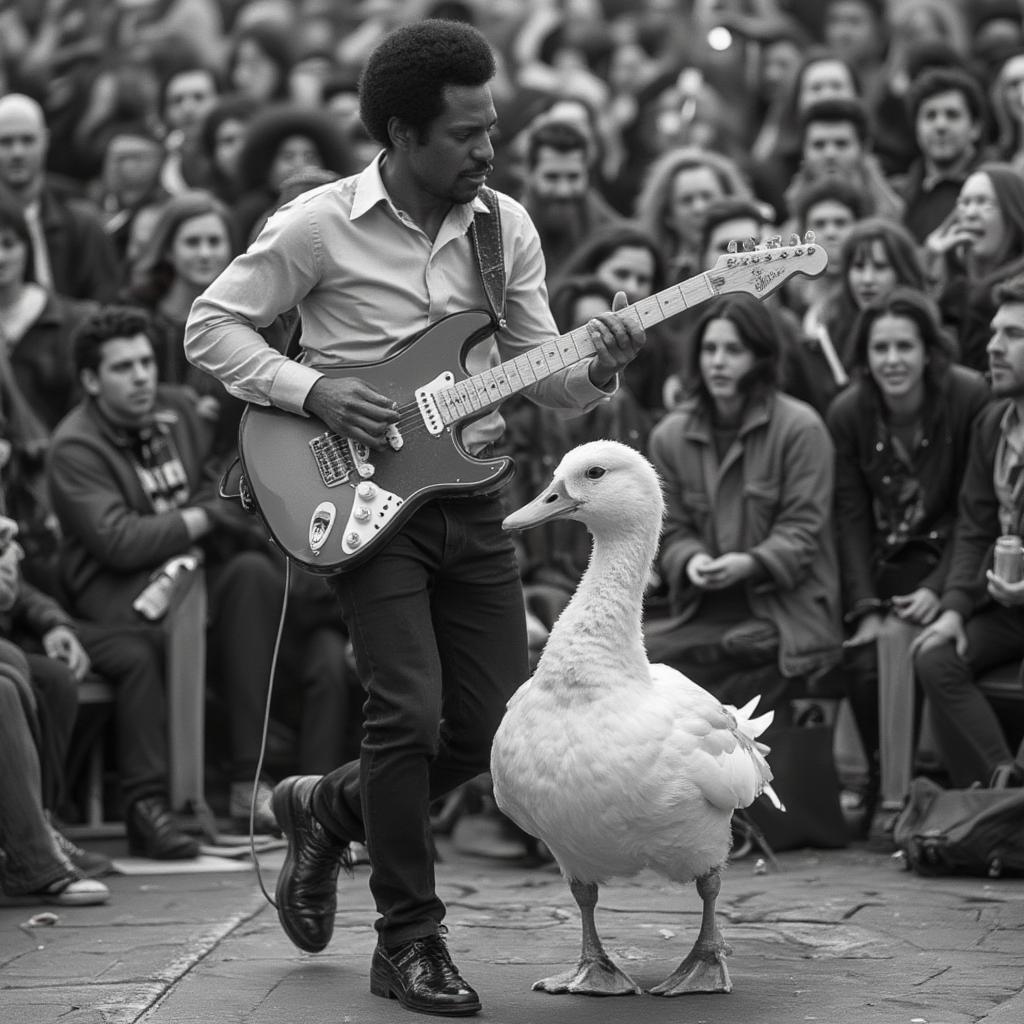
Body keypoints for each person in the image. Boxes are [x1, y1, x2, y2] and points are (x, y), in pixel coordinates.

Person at [184, 19, 645, 1017]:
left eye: (494, 129)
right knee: (406, 709)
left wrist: (598, 361)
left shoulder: (502, 226)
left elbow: (541, 372)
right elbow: (209, 326)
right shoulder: (317, 224)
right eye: (467, 133)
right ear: (401, 132)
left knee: (488, 733)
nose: (489, 149)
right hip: (361, 500)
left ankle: (325, 804)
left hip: (471, 493)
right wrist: (312, 393)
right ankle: (410, 939)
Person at [46, 306, 286, 836]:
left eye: (147, 362)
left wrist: (206, 510)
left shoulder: (177, 408)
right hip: (120, 596)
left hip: (197, 573)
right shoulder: (74, 445)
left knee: (253, 576)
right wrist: (202, 517)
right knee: (158, 639)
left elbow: (218, 477)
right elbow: (119, 541)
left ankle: (250, 781)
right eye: (123, 367)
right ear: (90, 380)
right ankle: (161, 803)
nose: (141, 377)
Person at [826, 287, 990, 829]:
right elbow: (848, 517)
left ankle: (930, 791)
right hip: (886, 566)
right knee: (863, 661)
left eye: (904, 346)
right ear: (865, 355)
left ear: (928, 351)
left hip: (956, 562)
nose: (892, 360)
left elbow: (976, 512)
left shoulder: (967, 397)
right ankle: (880, 785)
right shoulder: (850, 412)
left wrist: (942, 590)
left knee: (921, 650)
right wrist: (867, 607)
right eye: (880, 348)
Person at [644, 293, 843, 721]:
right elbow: (668, 529)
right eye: (709, 350)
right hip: (703, 608)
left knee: (734, 651)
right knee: (638, 656)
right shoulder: (669, 436)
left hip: (785, 609)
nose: (718, 362)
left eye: (734, 350)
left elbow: (804, 531)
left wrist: (750, 563)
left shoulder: (801, 428)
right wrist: (690, 559)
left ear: (761, 357)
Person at [911, 273, 1024, 788]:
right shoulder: (994, 421)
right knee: (935, 656)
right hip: (1002, 606)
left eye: (1015, 335)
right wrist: (955, 608)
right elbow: (975, 525)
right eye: (997, 332)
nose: (994, 347)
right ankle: (1002, 794)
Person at [0, 93, 121, 303]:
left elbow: (106, 302)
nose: (17, 152)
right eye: (5, 142)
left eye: (27, 140)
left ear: (45, 140)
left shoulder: (81, 222)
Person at [927, 162, 1024, 373]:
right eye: (964, 203)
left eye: (984, 203)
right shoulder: (957, 287)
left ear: (1013, 211)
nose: (970, 213)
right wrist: (933, 260)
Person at [517, 118, 622, 286]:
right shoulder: (510, 232)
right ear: (529, 174)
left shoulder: (608, 228)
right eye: (552, 177)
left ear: (587, 174)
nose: (564, 190)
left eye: (573, 177)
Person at [897, 67, 988, 244]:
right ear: (916, 127)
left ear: (976, 128)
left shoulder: (998, 192)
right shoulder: (897, 196)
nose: (940, 125)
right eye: (930, 116)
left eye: (952, 115)